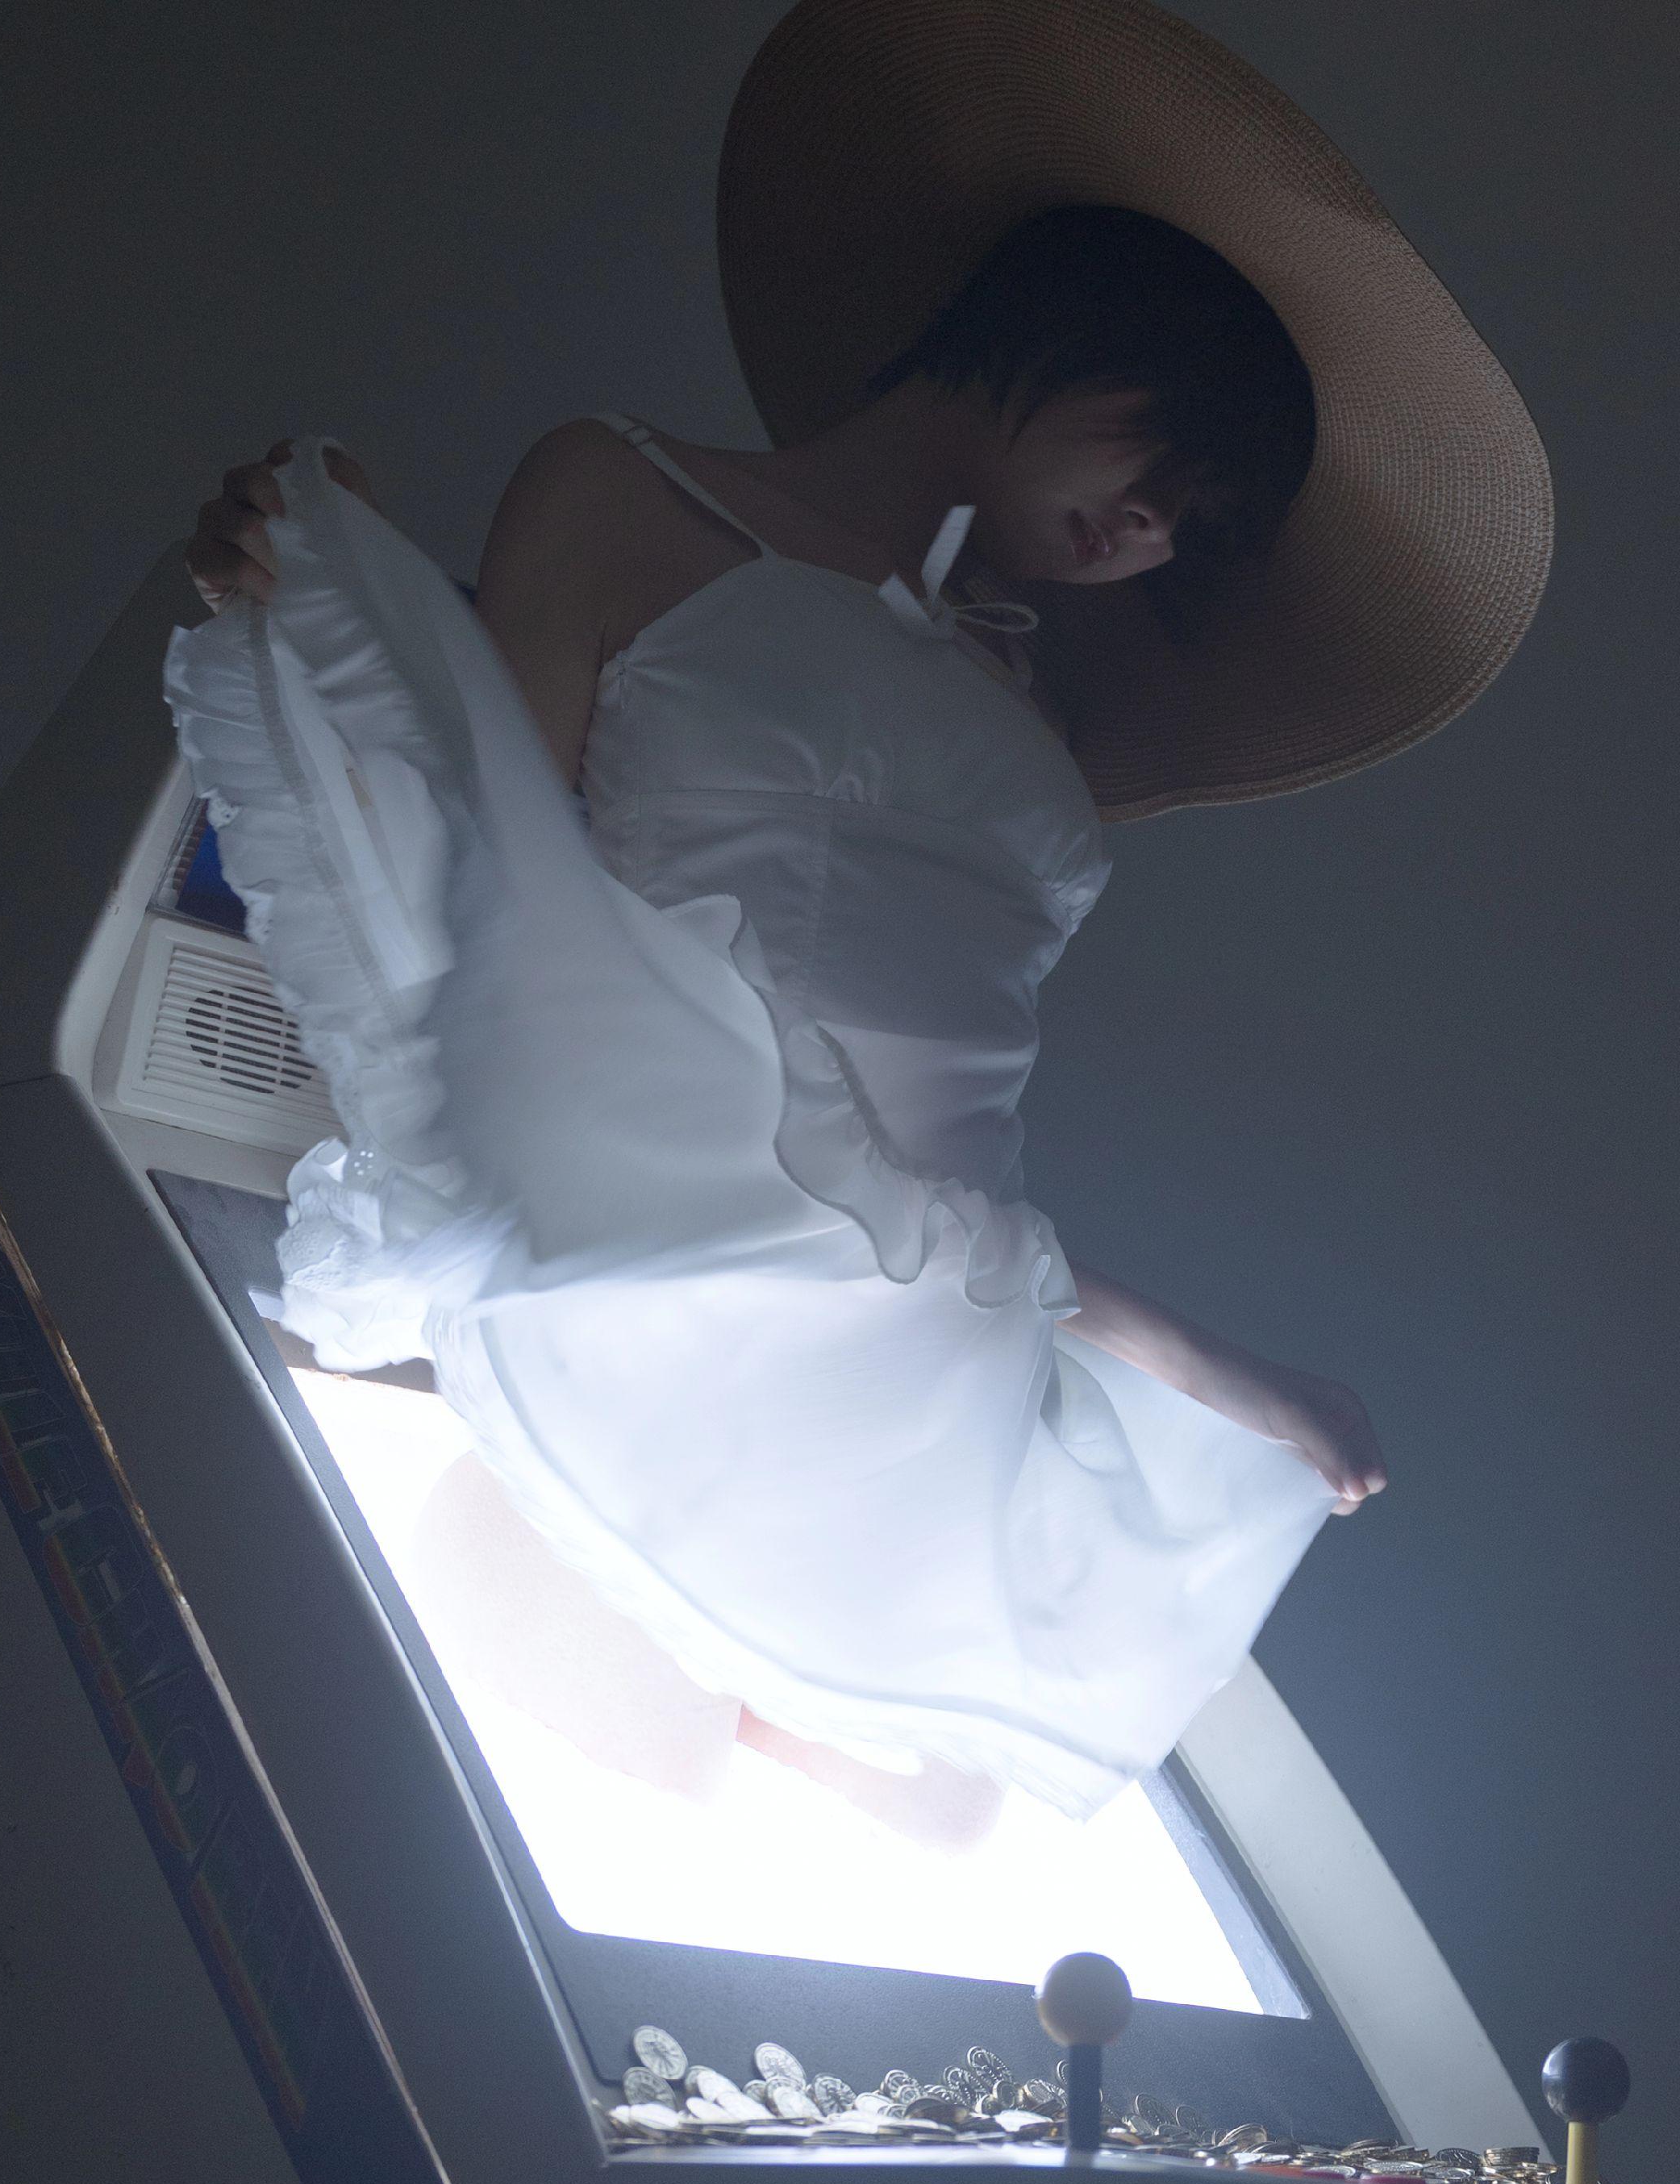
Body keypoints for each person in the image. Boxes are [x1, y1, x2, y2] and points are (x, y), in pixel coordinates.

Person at [172, 204, 1394, 1848]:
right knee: (622, 1780)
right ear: (1066, 327)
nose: (1157, 527)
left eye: (1199, 525)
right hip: (692, 1269)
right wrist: (335, 613)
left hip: (931, 1367)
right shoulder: (624, 492)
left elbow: (937, 1172)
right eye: (1169, 459)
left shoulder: (1020, 683)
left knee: (936, 1826)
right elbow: (491, 880)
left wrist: (1199, 1363)